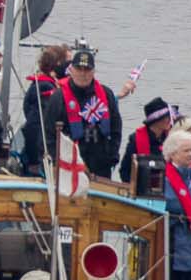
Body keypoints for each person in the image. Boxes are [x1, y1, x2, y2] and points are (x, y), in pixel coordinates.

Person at [54, 43, 124, 178]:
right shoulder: (59, 97)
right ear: (72, 70)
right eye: (79, 69)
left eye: (87, 69)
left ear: (93, 72)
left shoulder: (106, 94)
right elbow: (49, 133)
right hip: (69, 163)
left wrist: (112, 155)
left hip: (100, 164)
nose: (83, 74)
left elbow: (116, 127)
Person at [19, 42, 71, 176]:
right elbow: (35, 126)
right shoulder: (45, 89)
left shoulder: (42, 84)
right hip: (40, 158)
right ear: (59, 64)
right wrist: (34, 162)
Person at [163, 130, 191, 280]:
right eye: (186, 150)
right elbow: (170, 202)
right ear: (173, 154)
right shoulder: (164, 177)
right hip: (176, 243)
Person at [122, 97, 177, 182]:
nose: (170, 120)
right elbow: (125, 171)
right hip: (142, 188)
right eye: (166, 117)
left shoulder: (172, 138)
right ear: (156, 120)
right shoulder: (135, 139)